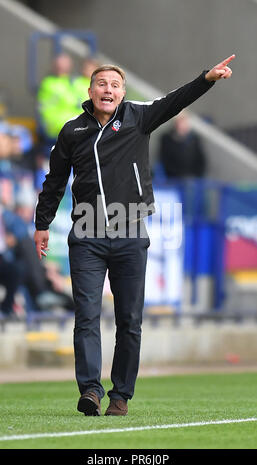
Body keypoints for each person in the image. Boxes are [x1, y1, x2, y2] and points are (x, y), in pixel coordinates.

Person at [34, 55, 235, 416]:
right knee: (87, 315)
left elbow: (176, 100)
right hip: (87, 235)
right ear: (90, 90)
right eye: (101, 84)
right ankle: (91, 392)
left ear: (122, 92)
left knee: (129, 320)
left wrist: (207, 78)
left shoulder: (139, 117)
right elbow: (54, 182)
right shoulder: (71, 131)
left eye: (114, 85)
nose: (107, 89)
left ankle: (121, 395)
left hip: (130, 232)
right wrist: (41, 224)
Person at [37, 53, 80, 148]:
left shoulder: (76, 82)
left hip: (73, 133)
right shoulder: (49, 84)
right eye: (59, 65)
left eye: (64, 65)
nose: (61, 68)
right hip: (55, 133)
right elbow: (69, 101)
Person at [159, 110, 207, 179]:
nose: (184, 124)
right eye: (181, 121)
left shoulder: (195, 139)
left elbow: (200, 160)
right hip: (174, 177)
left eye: (185, 121)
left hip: (192, 177)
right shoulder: (167, 138)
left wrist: (195, 175)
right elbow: (165, 159)